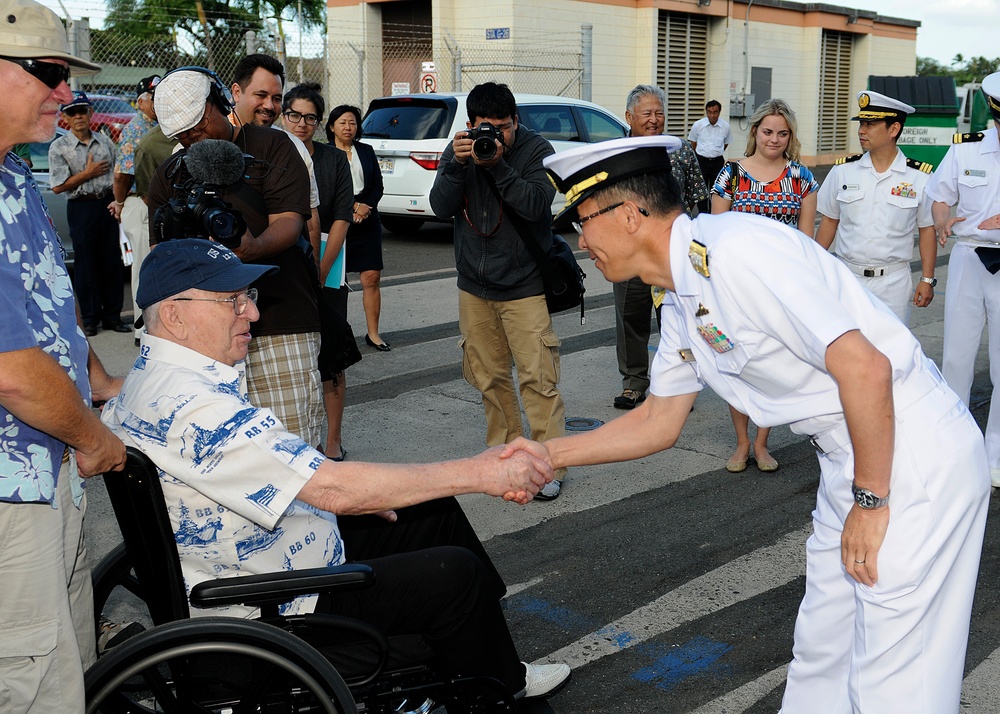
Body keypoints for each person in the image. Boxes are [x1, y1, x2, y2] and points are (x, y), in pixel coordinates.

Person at [533, 135, 989, 714]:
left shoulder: (737, 252)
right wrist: (547, 456)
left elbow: (865, 368)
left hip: (905, 456)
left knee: (898, 681)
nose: (580, 241)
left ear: (626, 215)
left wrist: (873, 502)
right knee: (822, 652)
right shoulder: (681, 292)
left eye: (582, 221)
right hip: (850, 455)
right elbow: (658, 420)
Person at [101, 238, 571, 702]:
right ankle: (491, 682)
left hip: (255, 558)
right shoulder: (196, 409)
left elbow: (280, 470)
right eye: (232, 301)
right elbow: (333, 490)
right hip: (275, 603)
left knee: (432, 510)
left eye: (248, 297)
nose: (253, 313)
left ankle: (487, 653)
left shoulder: (147, 385)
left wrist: (372, 495)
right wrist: (482, 472)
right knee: (456, 574)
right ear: (175, 316)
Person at [0, 2, 128, 711]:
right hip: (10, 489)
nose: (63, 93)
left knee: (69, 657)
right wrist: (95, 439)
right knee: (32, 682)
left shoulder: (13, 175)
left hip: (48, 470)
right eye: (47, 72)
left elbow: (49, 298)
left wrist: (98, 380)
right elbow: (12, 370)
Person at [149, 67, 326, 450]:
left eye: (198, 126)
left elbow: (291, 223)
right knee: (222, 454)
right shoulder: (169, 174)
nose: (191, 139)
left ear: (221, 102)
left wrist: (253, 248)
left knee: (292, 450)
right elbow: (159, 255)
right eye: (182, 134)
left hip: (280, 322)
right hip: (204, 338)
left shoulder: (274, 146)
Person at [428, 81, 567, 500]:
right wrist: (454, 164)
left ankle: (549, 465)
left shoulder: (537, 150)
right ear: (470, 124)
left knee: (538, 380)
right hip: (474, 287)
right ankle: (506, 458)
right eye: (485, 127)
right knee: (489, 379)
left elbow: (536, 205)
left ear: (516, 122)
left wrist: (499, 165)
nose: (494, 136)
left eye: (503, 127)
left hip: (524, 286)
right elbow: (440, 207)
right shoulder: (461, 150)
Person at [711, 98, 819, 473]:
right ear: (755, 131)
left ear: (790, 137)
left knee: (771, 367)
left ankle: (761, 443)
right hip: (737, 287)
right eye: (768, 131)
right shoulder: (730, 174)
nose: (774, 139)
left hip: (782, 288)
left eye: (782, 133)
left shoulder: (802, 177)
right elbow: (715, 235)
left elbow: (807, 243)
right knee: (737, 364)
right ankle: (741, 443)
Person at [925, 71, 1000, 487]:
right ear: (993, 112)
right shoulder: (965, 151)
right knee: (955, 356)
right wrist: (941, 221)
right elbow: (940, 195)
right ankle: (953, 450)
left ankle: (996, 456)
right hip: (971, 258)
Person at [612, 84, 707, 410]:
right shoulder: (613, 153)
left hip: (673, 255)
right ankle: (634, 383)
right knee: (630, 319)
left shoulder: (679, 149)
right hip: (630, 254)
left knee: (678, 320)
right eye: (646, 113)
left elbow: (699, 200)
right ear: (629, 116)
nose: (654, 119)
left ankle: (678, 386)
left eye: (659, 113)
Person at [283, 83, 359, 462]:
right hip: (283, 270)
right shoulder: (273, 152)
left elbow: (343, 215)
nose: (301, 123)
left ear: (319, 122)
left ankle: (332, 440)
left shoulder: (332, 160)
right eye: (294, 115)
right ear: (284, 116)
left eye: (309, 117)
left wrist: (321, 267)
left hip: (328, 267)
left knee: (332, 355)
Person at [815, 91, 936, 325]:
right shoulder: (843, 171)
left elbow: (926, 229)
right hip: (847, 278)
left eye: (870, 124)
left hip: (893, 282)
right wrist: (815, 266)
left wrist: (927, 279)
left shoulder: (918, 177)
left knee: (891, 350)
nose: (861, 130)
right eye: (861, 123)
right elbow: (829, 221)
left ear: (894, 130)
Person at [49, 90, 130, 336]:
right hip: (81, 207)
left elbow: (119, 175)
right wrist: (88, 173)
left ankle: (113, 317)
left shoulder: (105, 142)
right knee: (86, 264)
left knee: (111, 261)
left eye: (82, 110)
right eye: (72, 112)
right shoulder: (59, 147)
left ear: (90, 113)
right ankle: (90, 318)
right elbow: (57, 186)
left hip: (105, 204)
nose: (78, 116)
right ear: (65, 117)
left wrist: (119, 202)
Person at [229, 53, 321, 253]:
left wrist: (313, 279)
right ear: (237, 92)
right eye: (261, 95)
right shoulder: (207, 143)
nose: (269, 106)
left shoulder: (294, 147)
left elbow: (310, 215)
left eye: (277, 98)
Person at [327, 104, 389, 351]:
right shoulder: (325, 153)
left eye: (352, 123)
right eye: (342, 122)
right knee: (334, 281)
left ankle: (373, 334)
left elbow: (377, 186)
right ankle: (335, 333)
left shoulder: (366, 150)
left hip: (367, 220)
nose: (347, 127)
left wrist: (365, 207)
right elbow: (327, 188)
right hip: (338, 220)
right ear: (332, 126)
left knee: (372, 278)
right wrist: (353, 208)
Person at [110, 74, 160, 342]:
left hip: (158, 205)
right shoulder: (135, 130)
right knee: (143, 265)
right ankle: (143, 329)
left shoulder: (165, 125)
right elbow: (121, 177)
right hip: (139, 204)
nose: (158, 101)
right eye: (153, 97)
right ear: (140, 102)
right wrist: (119, 202)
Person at [688, 99, 731, 214]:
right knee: (701, 189)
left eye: (715, 112)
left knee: (716, 189)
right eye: (709, 112)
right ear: (706, 112)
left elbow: (725, 143)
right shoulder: (698, 125)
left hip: (717, 162)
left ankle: (714, 212)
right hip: (701, 161)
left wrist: (715, 152)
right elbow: (693, 143)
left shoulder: (725, 127)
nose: (712, 115)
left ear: (719, 112)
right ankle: (702, 213)